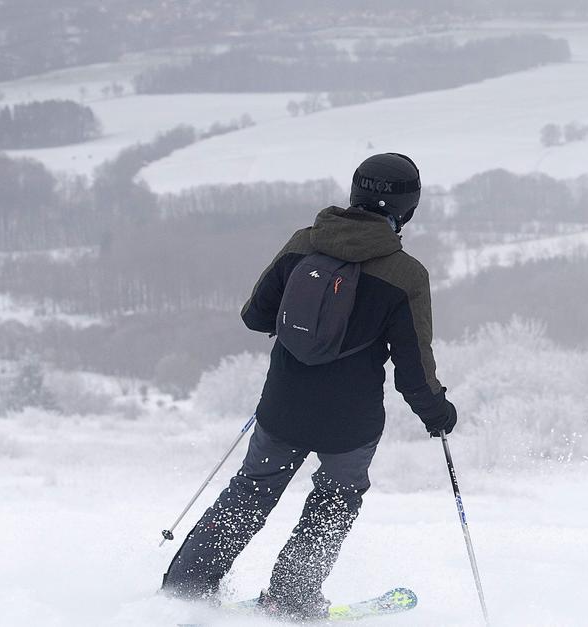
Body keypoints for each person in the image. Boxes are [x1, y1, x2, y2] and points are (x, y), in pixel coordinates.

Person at [161, 153, 457, 620]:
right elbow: (413, 370)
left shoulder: (304, 243)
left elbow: (255, 316)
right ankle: (291, 597)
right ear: (409, 207)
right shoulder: (405, 274)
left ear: (355, 192)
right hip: (350, 422)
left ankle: (186, 587)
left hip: (283, 404)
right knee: (334, 502)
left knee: (251, 491)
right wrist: (437, 413)